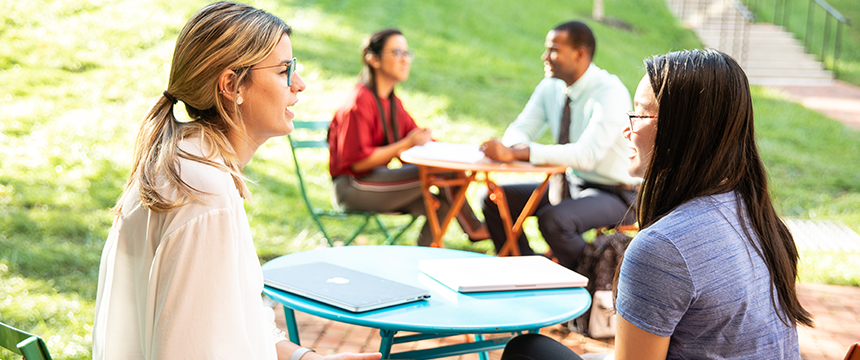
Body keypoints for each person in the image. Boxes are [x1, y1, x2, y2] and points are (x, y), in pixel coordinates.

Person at [91, 3, 382, 359]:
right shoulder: (202, 191)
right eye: (284, 70)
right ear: (231, 85)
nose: (300, 84)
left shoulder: (190, 160)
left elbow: (234, 316)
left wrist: (303, 358)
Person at [501, 49, 813, 359]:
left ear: (681, 131)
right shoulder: (757, 217)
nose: (626, 130)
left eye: (638, 114)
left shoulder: (662, 249)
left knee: (528, 350)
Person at [479, 21, 638, 268]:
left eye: (553, 50)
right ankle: (526, 269)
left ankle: (594, 279)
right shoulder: (551, 86)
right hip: (570, 183)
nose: (545, 56)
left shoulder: (610, 92)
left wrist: (518, 152)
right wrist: (514, 147)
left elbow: (587, 155)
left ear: (580, 54)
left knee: (554, 220)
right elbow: (519, 129)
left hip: (615, 193)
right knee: (494, 198)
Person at [327, 28, 488, 246]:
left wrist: (458, 154)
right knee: (446, 173)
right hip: (353, 188)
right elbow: (358, 163)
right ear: (373, 59)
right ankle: (475, 229)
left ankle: (424, 257)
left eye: (407, 53)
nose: (405, 60)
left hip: (376, 181)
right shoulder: (359, 102)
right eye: (397, 53)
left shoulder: (392, 103)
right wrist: (406, 144)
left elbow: (418, 142)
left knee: (445, 199)